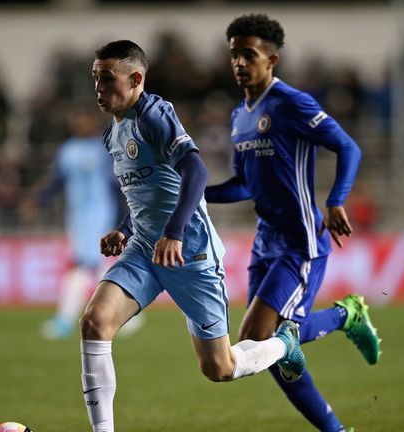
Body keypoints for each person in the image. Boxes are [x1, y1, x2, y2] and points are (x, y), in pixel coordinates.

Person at [80, 40, 305, 432]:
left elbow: (196, 173)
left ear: (135, 79)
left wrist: (175, 232)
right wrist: (123, 228)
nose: (98, 88)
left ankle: (284, 343)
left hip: (190, 252)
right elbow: (147, 192)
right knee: (95, 322)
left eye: (106, 79)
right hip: (144, 251)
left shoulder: (154, 114)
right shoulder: (111, 134)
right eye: (95, 79)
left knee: (219, 368)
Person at [205, 14, 382, 431]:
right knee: (267, 353)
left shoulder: (291, 103)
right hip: (264, 242)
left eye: (248, 54)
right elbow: (243, 185)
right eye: (233, 54)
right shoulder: (238, 116)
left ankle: (346, 315)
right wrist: (195, 193)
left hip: (301, 241)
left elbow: (348, 148)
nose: (239, 63)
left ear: (272, 60)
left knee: (258, 340)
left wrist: (336, 200)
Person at [23, 106, 142, 339]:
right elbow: (57, 181)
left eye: (85, 120)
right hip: (78, 218)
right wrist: (38, 201)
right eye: (76, 120)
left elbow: (119, 184)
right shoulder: (67, 151)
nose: (80, 124)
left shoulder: (105, 149)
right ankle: (126, 316)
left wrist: (123, 219)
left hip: (102, 215)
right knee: (99, 268)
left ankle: (64, 320)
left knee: (83, 266)